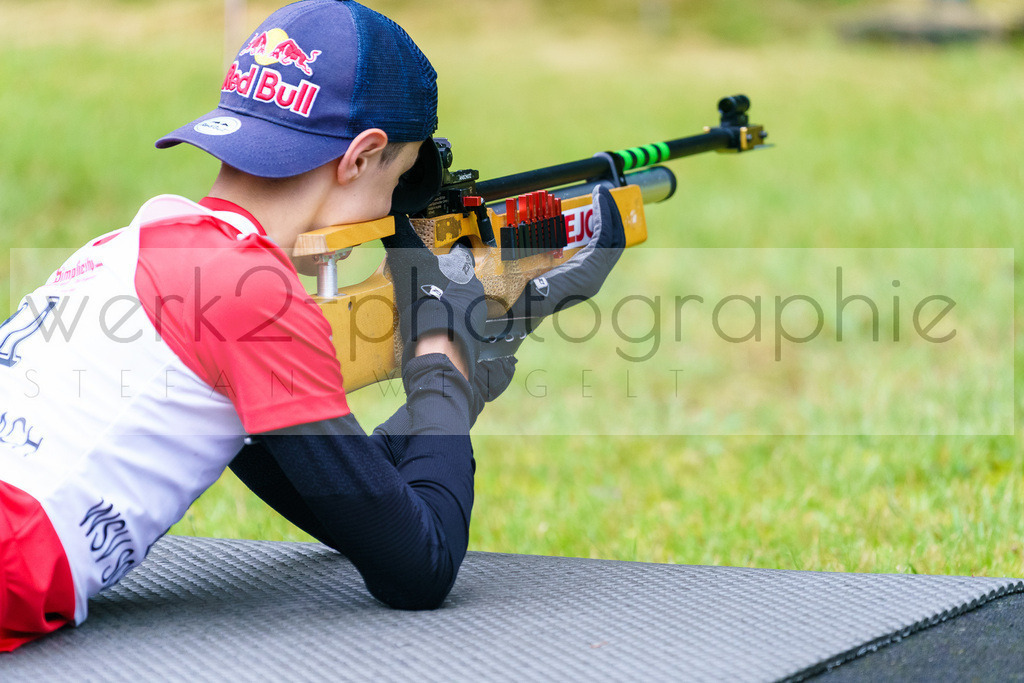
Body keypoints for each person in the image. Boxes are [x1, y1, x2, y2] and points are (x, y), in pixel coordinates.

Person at [0, 0, 625, 651]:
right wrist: (444, 355)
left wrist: (449, 349)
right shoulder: (252, 295)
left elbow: (352, 503)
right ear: (360, 158)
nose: (389, 212)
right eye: (400, 183)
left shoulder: (130, 245)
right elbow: (417, 565)